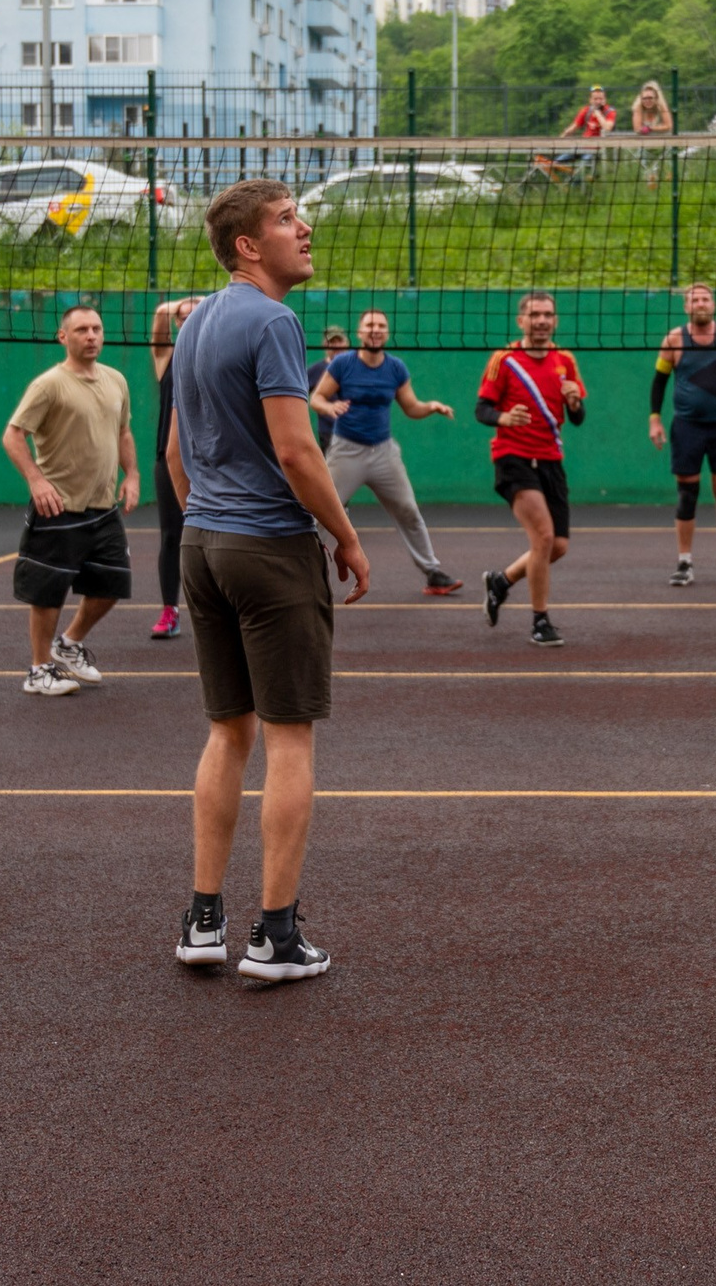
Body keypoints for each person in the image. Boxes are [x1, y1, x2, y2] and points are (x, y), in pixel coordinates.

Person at [165, 179, 371, 984]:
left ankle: (204, 921)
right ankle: (276, 938)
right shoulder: (275, 320)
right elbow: (296, 451)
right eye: (288, 219)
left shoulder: (196, 323)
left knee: (227, 731)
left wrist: (209, 527)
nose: (305, 227)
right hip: (267, 547)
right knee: (289, 736)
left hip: (204, 544)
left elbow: (178, 457)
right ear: (249, 245)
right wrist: (345, 538)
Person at [2, 304, 139, 696]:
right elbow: (13, 436)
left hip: (103, 505)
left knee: (113, 584)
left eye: (97, 328)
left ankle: (69, 644)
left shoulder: (116, 380)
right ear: (64, 337)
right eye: (81, 330)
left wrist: (132, 475)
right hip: (57, 505)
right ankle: (38, 669)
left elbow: (124, 432)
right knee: (47, 591)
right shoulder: (49, 385)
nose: (91, 335)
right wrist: (36, 481)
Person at [309, 308, 462, 596]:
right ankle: (301, 571)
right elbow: (316, 398)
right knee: (321, 513)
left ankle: (433, 572)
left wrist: (431, 407)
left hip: (383, 453)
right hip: (346, 452)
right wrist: (329, 407)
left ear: (387, 332)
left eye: (380, 325)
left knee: (408, 511)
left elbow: (411, 407)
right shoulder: (343, 364)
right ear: (360, 332)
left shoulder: (396, 368)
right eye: (370, 325)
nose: (375, 329)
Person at [478, 293, 587, 647]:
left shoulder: (565, 360)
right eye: (534, 314)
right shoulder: (505, 359)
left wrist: (574, 401)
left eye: (547, 315)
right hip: (513, 457)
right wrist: (505, 417)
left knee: (558, 546)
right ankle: (540, 621)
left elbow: (578, 417)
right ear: (520, 321)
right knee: (541, 537)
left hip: (551, 459)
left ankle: (501, 582)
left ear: (555, 320)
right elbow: (482, 409)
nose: (541, 320)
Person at [650, 282, 716, 586]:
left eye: (705, 298)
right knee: (688, 495)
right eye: (694, 299)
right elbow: (658, 382)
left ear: (713, 304)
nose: (700, 302)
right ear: (686, 306)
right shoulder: (674, 339)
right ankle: (684, 563)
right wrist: (655, 420)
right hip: (687, 427)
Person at [147, 296, 203, 640]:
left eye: (198, 314)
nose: (189, 319)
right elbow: (159, 315)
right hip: (168, 459)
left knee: (216, 534)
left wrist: (206, 306)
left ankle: (217, 607)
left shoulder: (216, 352)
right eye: (184, 317)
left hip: (211, 459)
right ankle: (170, 610)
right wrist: (182, 305)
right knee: (172, 535)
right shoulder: (166, 358)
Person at [305, 326, 346, 452]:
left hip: (354, 432)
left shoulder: (355, 366)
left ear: (346, 343)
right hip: (328, 433)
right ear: (325, 345)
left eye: (339, 341)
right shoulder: (316, 370)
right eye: (332, 342)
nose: (336, 345)